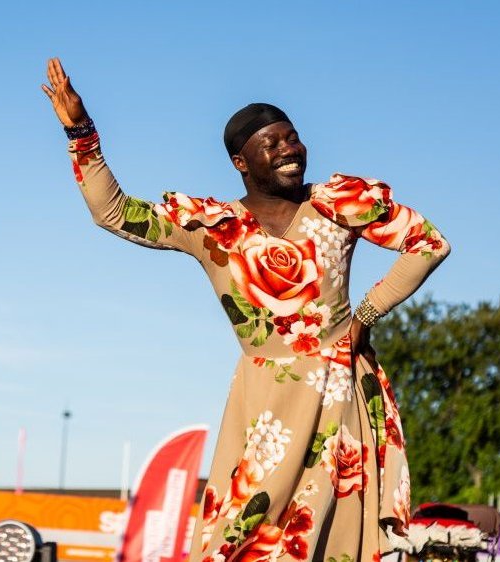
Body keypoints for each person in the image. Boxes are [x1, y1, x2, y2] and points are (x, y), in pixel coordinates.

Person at [42, 57, 450, 562]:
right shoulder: (214, 227)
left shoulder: (337, 204)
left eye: (293, 137)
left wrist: (365, 315)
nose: (289, 150)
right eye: (271, 143)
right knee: (240, 539)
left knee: (333, 537)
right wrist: (81, 133)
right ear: (241, 161)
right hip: (264, 407)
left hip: (338, 392)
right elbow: (114, 212)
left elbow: (428, 243)